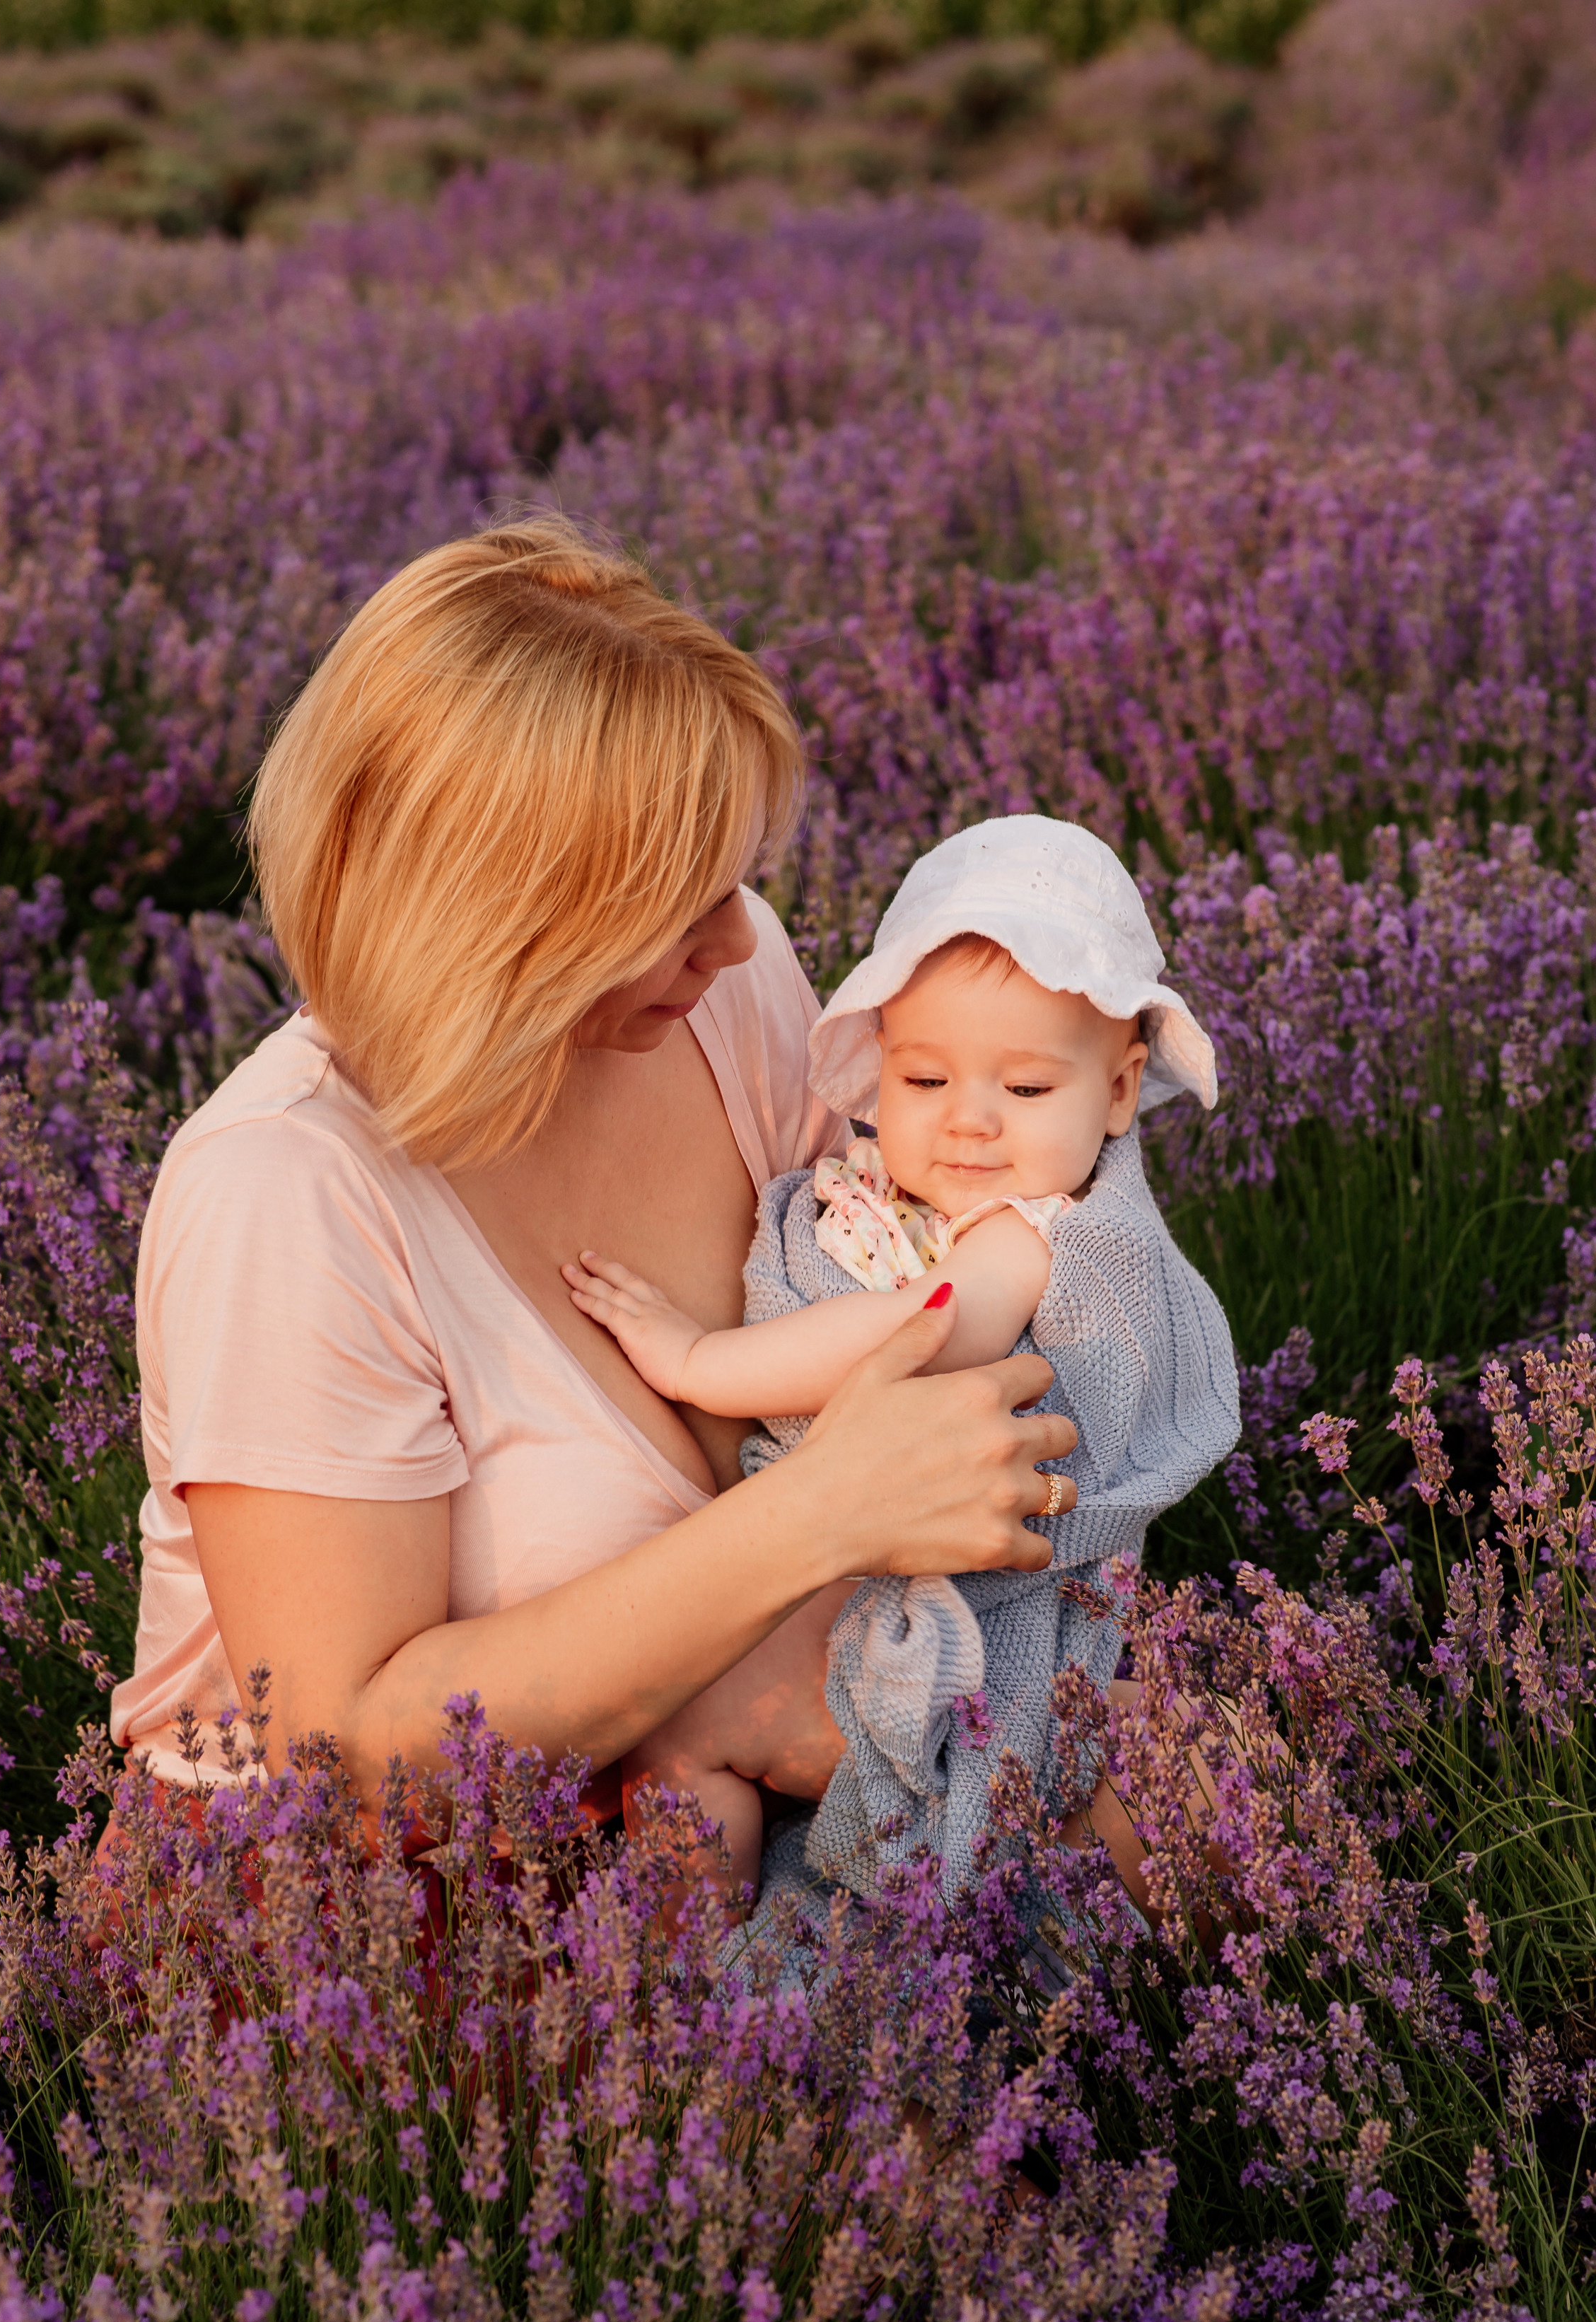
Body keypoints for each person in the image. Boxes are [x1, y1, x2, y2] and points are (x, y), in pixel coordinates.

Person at [106, 521, 1084, 1896]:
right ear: (504, 921)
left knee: (1186, 1788)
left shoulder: (718, 1003)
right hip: (381, 1927)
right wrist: (812, 1522)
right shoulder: (284, 1193)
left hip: (732, 1788)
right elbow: (354, 1769)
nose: (743, 939)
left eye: (734, 878)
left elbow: (893, 1289)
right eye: (681, 903)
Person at [563, 817, 1242, 1922]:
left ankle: (714, 1976)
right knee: (680, 1751)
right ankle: (707, 1974)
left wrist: (696, 1359)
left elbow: (920, 1330)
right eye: (924, 1078)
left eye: (1025, 1092)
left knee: (684, 1744)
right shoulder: (885, 1193)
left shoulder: (1033, 1236)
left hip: (956, 1632)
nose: (968, 1123)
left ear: (1119, 1094)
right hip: (831, 1588)